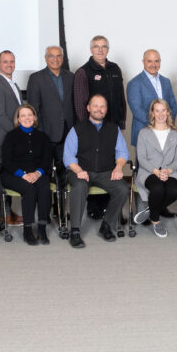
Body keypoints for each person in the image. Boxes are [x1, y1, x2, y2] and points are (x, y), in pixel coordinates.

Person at [63, 94, 131, 248]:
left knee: (122, 189)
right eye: (95, 106)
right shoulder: (76, 129)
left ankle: (106, 225)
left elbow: (122, 153)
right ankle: (75, 231)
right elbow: (68, 156)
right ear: (88, 108)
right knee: (79, 187)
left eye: (102, 106)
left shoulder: (114, 129)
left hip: (105, 171)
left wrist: (119, 167)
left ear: (106, 110)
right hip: (80, 170)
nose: (99, 109)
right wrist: (78, 170)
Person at [0, 103, 55, 246]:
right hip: (13, 174)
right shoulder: (11, 136)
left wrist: (37, 173)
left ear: (35, 117)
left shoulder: (42, 137)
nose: (27, 118)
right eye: (23, 115)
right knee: (29, 189)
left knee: (44, 189)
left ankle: (42, 228)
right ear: (18, 119)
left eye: (30, 115)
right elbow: (7, 161)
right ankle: (28, 230)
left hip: (38, 173)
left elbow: (47, 160)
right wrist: (23, 175)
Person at [133, 99, 177, 238]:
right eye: (157, 110)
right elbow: (141, 158)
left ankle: (151, 210)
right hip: (148, 171)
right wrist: (156, 171)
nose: (161, 114)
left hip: (170, 171)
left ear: (168, 112)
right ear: (152, 113)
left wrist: (168, 171)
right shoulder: (144, 133)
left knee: (175, 190)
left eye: (163, 110)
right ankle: (156, 221)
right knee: (157, 188)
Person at [0, 50, 26, 226]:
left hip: (15, 140)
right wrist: (19, 133)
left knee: (10, 175)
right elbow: (0, 116)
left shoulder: (13, 84)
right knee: (3, 177)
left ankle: (8, 212)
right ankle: (3, 214)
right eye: (5, 62)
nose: (9, 65)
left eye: (12, 61)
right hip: (4, 140)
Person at [25, 46, 75, 184]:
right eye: (51, 56)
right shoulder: (36, 78)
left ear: (63, 58)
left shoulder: (71, 77)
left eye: (58, 56)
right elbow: (33, 109)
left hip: (66, 132)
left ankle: (60, 204)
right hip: (45, 132)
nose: (55, 59)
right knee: (44, 171)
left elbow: (74, 104)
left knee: (64, 171)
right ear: (46, 58)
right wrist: (39, 132)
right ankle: (48, 204)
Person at [126, 49, 177, 147]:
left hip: (166, 132)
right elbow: (137, 110)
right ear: (143, 62)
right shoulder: (134, 83)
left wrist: (168, 123)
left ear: (160, 62)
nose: (153, 64)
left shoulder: (166, 81)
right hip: (144, 132)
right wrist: (157, 125)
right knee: (144, 162)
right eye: (149, 61)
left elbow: (173, 105)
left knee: (167, 161)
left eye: (156, 61)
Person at [73, 35, 127, 129]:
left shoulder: (115, 69)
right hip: (95, 126)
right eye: (96, 47)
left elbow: (121, 98)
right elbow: (79, 106)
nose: (100, 50)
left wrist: (122, 122)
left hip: (116, 124)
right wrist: (86, 128)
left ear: (108, 49)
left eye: (104, 47)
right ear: (91, 50)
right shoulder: (83, 72)